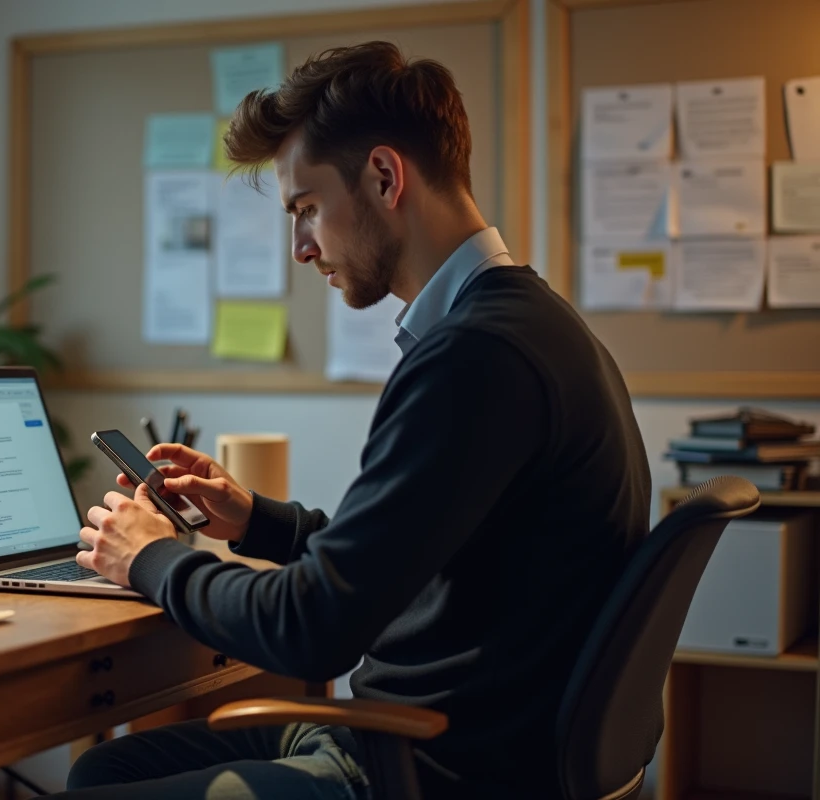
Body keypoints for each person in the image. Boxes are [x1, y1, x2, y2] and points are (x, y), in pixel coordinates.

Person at [54, 41, 651, 800]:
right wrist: (254, 520)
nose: (301, 248)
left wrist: (150, 559)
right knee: (106, 766)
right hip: (447, 736)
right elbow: (403, 557)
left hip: (431, 765)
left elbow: (317, 627)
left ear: (383, 176)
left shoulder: (476, 357)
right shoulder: (526, 324)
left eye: (306, 209)